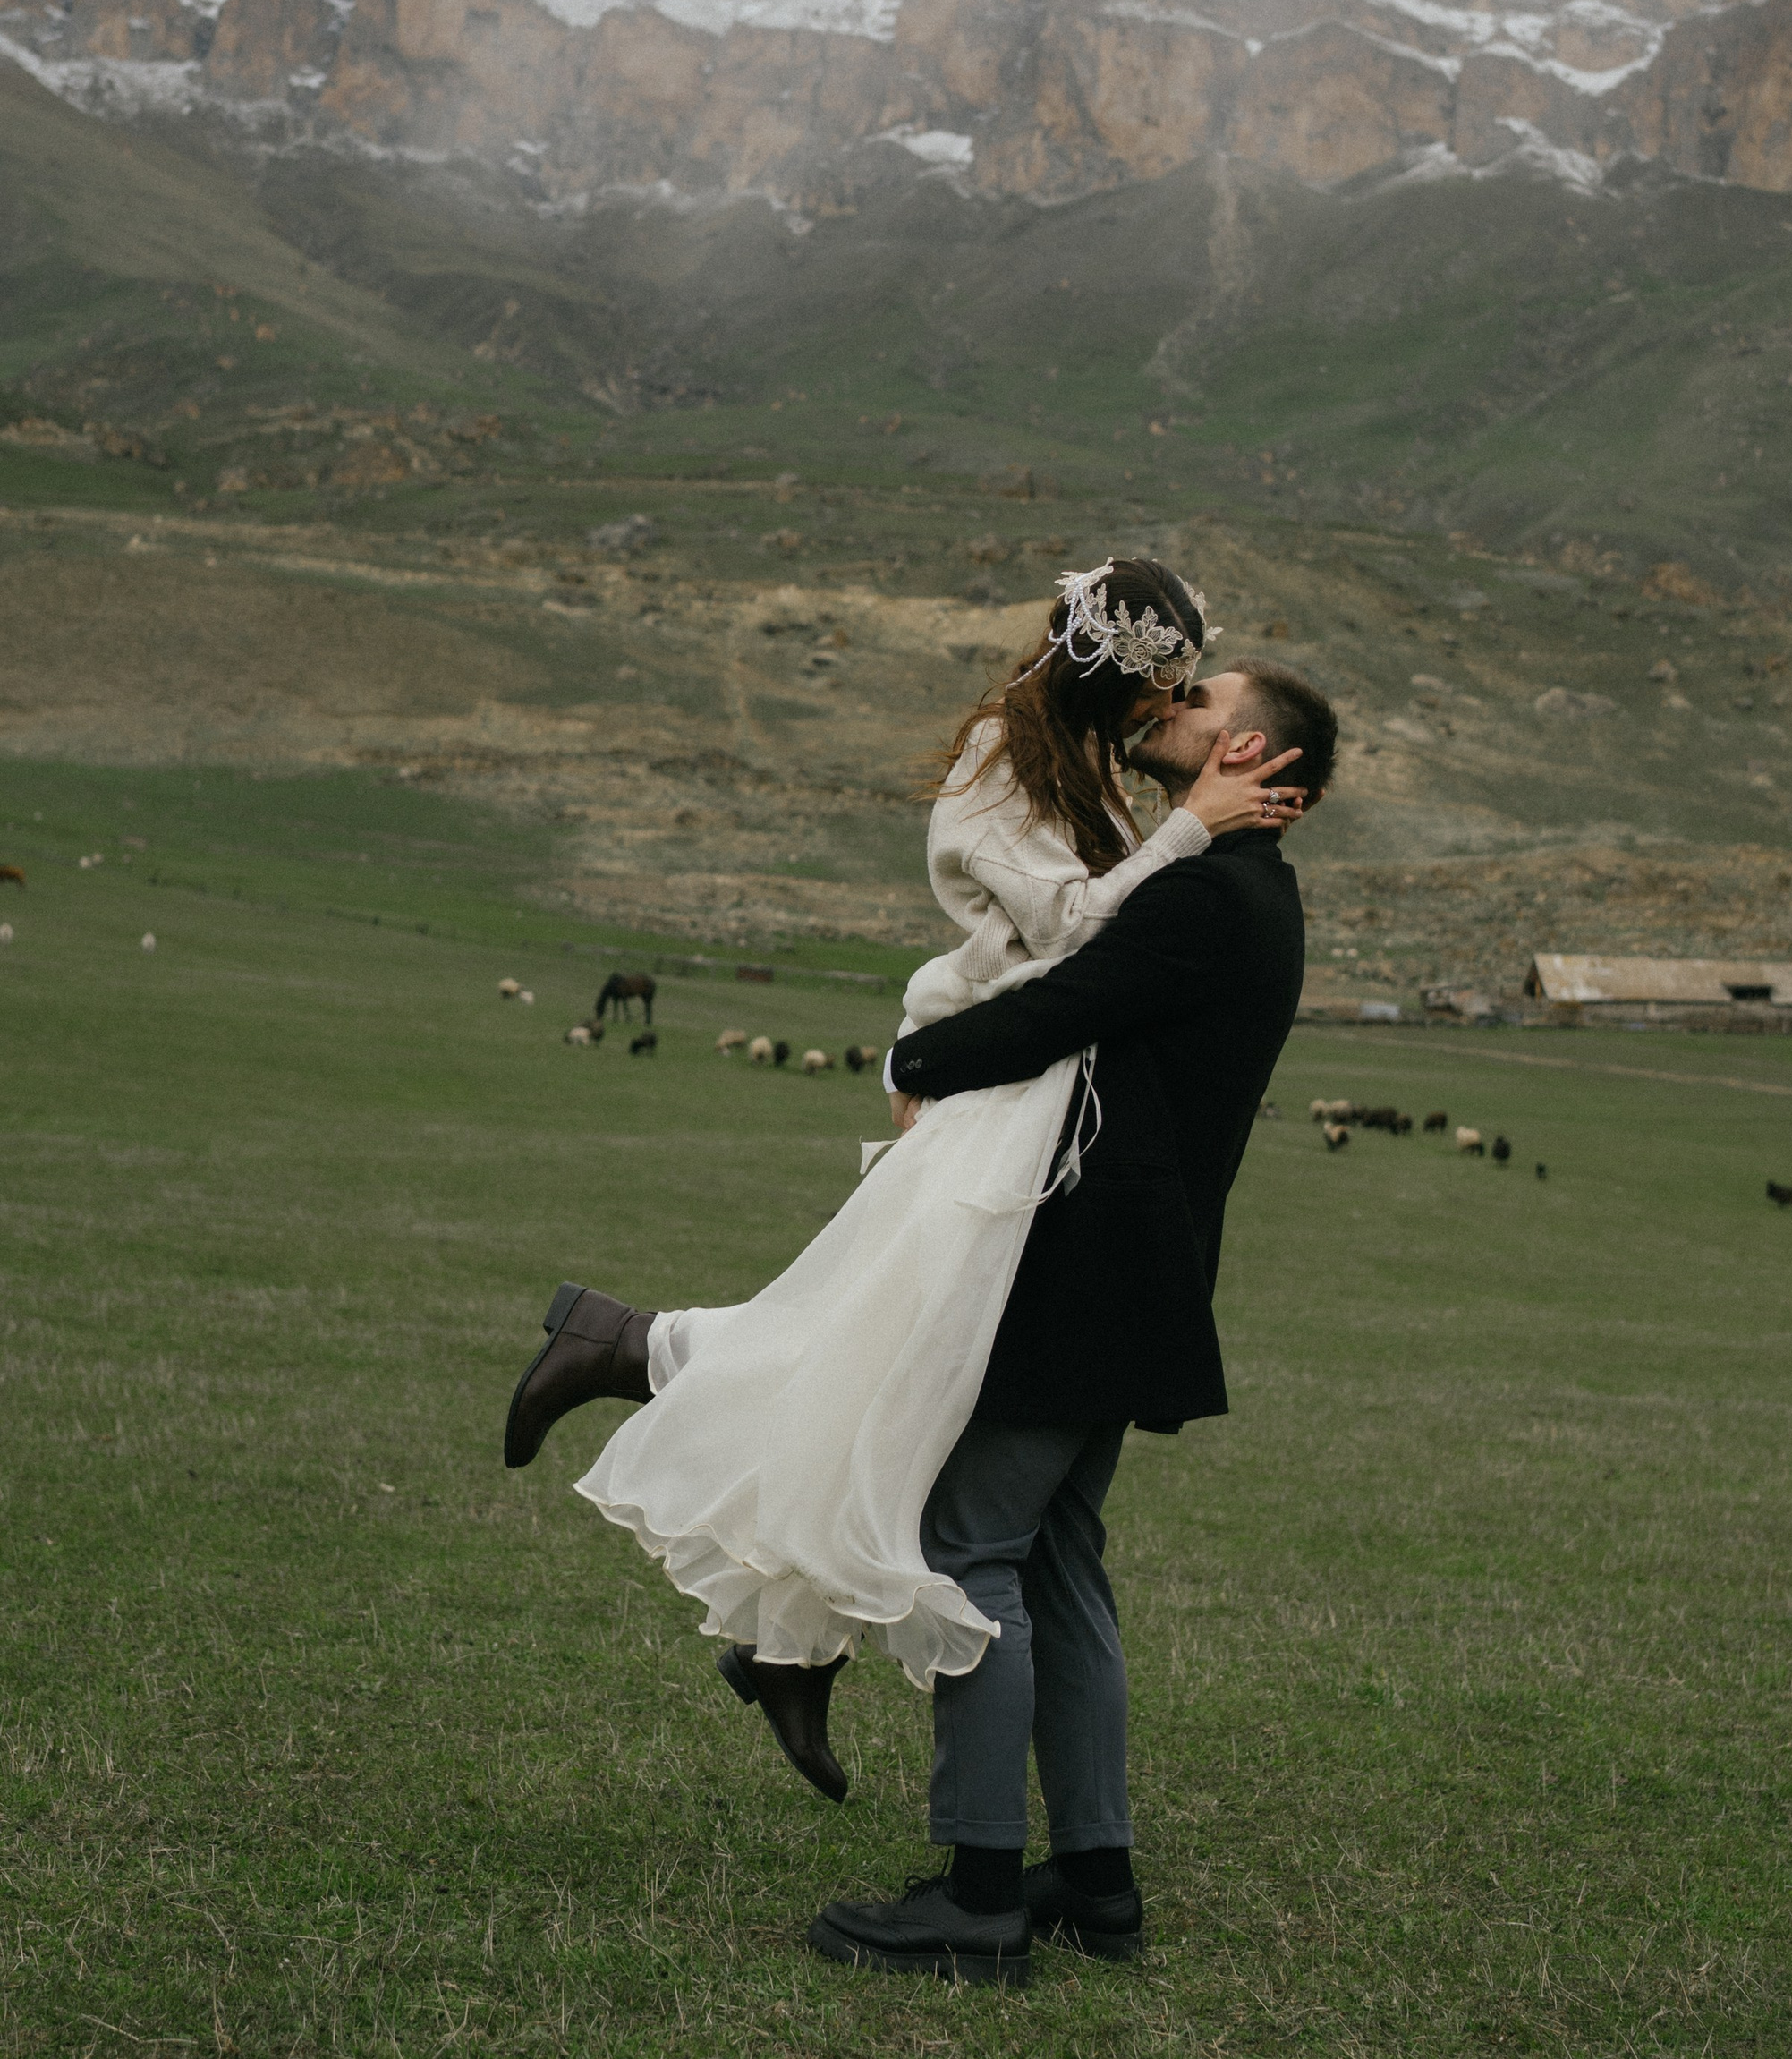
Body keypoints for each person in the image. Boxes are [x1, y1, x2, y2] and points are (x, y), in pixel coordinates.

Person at [498, 560, 1303, 1799]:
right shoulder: (1003, 757)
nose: (1172, 705)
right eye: (1166, 683)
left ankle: (779, 1630)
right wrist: (1191, 833)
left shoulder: (1088, 764)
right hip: (992, 1095)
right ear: (1115, 670)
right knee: (872, 1361)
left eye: (1190, 689)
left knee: (890, 1379)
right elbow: (1073, 930)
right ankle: (631, 1361)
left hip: (1032, 1104)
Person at [803, 651, 1337, 1988]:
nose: (1174, 705)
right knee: (1058, 1561)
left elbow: (1059, 1008)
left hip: (1085, 1267)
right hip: (1138, 1278)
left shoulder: (1210, 894)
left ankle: (980, 1894)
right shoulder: (1250, 894)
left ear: (1259, 761)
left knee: (971, 1547)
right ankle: (1096, 1883)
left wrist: (912, 1060)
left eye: (1206, 702)